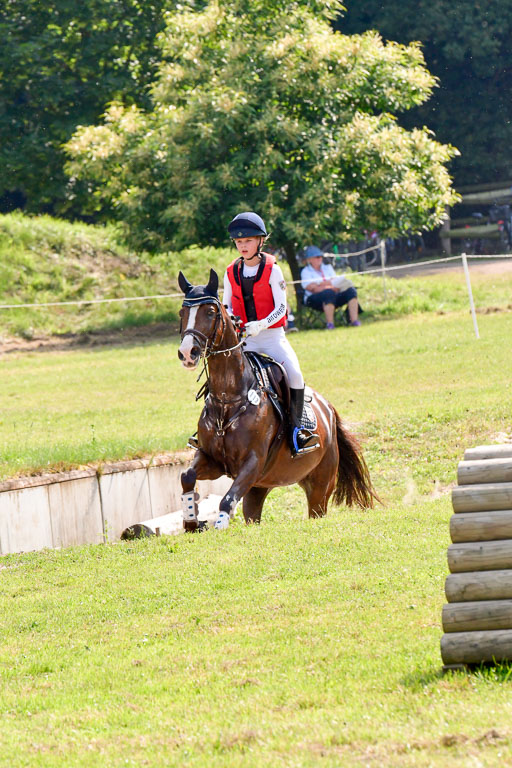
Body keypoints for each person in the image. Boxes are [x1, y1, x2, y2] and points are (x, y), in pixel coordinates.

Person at [223, 212, 319, 457]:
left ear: (260, 241)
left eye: (248, 241)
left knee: (295, 376)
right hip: (244, 341)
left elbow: (281, 308)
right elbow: (226, 307)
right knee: (222, 378)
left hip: (272, 338)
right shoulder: (230, 272)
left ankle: (298, 431)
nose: (243, 246)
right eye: (239, 242)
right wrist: (234, 323)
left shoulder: (272, 270)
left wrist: (262, 323)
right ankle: (212, 430)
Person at [300, 245, 361, 329]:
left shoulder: (328, 268)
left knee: (351, 291)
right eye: (317, 257)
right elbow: (311, 288)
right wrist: (327, 286)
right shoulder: (305, 271)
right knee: (328, 293)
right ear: (309, 259)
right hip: (314, 299)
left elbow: (335, 282)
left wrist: (319, 283)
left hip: (334, 294)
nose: (320, 259)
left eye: (321, 256)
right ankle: (330, 324)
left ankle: (354, 321)